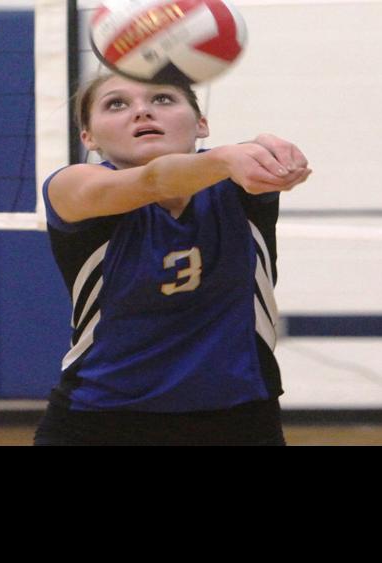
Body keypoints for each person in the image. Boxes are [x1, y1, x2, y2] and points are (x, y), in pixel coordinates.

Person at [35, 74, 312, 446]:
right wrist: (231, 156)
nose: (142, 111)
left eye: (163, 99)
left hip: (240, 418)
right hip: (100, 420)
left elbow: (249, 153)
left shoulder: (238, 182)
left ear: (201, 124)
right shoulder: (71, 186)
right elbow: (155, 181)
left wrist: (268, 148)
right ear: (89, 137)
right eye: (116, 104)